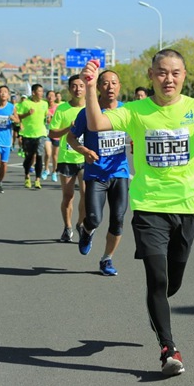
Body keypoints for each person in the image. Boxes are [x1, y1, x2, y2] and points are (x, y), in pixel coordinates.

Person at [81, 49, 194, 376]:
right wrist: (91, 87)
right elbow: (97, 122)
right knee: (157, 280)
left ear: (184, 76)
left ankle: (159, 307)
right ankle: (168, 349)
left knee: (171, 283)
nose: (168, 78)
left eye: (175, 72)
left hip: (188, 207)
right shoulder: (135, 111)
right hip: (149, 208)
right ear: (151, 75)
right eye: (162, 72)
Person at [68, 69, 129, 276]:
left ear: (120, 86)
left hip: (119, 173)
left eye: (114, 83)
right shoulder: (87, 113)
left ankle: (107, 259)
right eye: (105, 83)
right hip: (96, 175)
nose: (110, 87)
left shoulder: (126, 111)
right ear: (98, 87)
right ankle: (86, 231)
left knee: (118, 219)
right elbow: (71, 138)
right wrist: (84, 151)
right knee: (94, 218)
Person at [49, 74, 87, 242]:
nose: (77, 89)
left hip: (86, 158)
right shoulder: (62, 109)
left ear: (86, 87)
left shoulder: (92, 107)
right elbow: (52, 133)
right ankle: (68, 227)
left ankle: (80, 224)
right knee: (68, 196)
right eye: (74, 86)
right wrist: (68, 129)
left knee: (86, 194)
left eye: (81, 85)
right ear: (69, 89)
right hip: (66, 158)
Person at [15, 84, 49, 189]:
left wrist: (48, 119)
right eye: (39, 91)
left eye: (42, 91)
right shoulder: (25, 103)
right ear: (33, 92)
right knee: (29, 157)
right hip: (27, 134)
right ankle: (27, 176)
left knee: (39, 156)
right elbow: (17, 116)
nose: (41, 93)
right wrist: (27, 114)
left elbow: (45, 115)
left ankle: (37, 180)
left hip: (41, 133)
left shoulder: (44, 104)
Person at [42, 90, 59, 182]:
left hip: (56, 133)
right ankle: (46, 170)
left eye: (52, 95)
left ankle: (54, 172)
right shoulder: (44, 106)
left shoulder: (58, 108)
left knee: (55, 155)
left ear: (55, 98)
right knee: (48, 153)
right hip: (46, 132)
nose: (50, 97)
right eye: (49, 95)